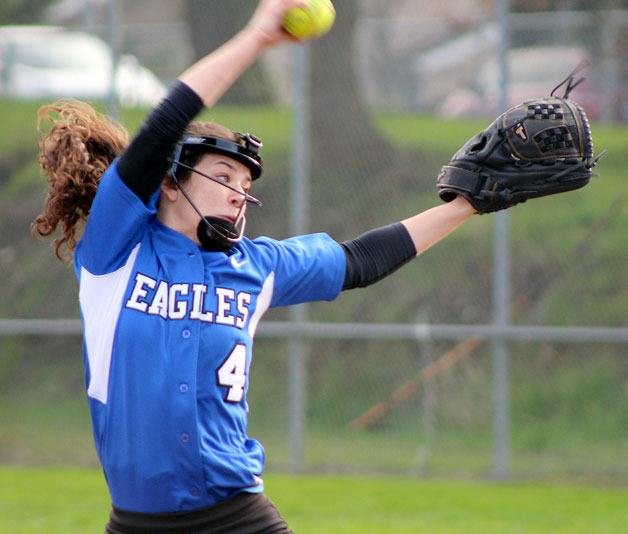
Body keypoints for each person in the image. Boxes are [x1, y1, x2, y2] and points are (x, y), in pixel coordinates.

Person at [33, 0, 474, 532]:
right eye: (223, 177)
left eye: (246, 187)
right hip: (137, 523)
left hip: (238, 515)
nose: (239, 195)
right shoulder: (117, 248)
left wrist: (467, 205)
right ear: (170, 183)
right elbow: (164, 125)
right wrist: (257, 38)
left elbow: (361, 259)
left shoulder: (255, 266)